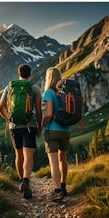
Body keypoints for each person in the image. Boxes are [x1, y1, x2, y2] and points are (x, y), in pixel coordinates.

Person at [0, 64, 42, 199]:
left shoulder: (9, 88)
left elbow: (0, 107)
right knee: (29, 154)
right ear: (30, 75)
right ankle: (26, 181)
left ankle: (22, 180)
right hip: (30, 125)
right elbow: (39, 110)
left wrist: (8, 118)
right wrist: (39, 126)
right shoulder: (34, 88)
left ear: (18, 74)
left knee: (19, 154)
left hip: (14, 125)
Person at [42, 67, 69, 202]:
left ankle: (58, 191)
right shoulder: (65, 92)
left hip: (52, 130)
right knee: (63, 159)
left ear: (49, 78)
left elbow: (48, 114)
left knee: (53, 162)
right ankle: (63, 186)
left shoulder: (49, 92)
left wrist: (42, 126)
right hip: (65, 131)